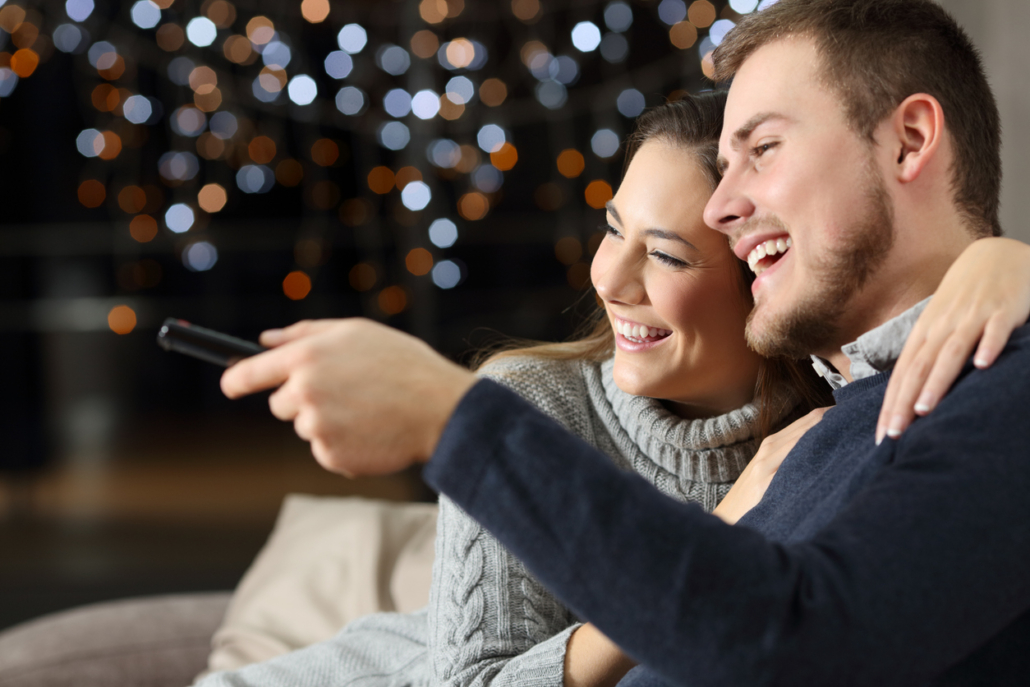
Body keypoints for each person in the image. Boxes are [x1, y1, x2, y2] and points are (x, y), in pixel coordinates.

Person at [221, 0, 1030, 685]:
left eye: (765, 148)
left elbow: (797, 639)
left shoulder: (992, 391)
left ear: (912, 140)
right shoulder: (857, 396)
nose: (723, 206)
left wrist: (451, 417)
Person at [196, 92, 837, 687]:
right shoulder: (527, 404)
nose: (610, 279)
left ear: (765, 273)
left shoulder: (835, 431)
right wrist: (707, 547)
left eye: (667, 255)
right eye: (614, 230)